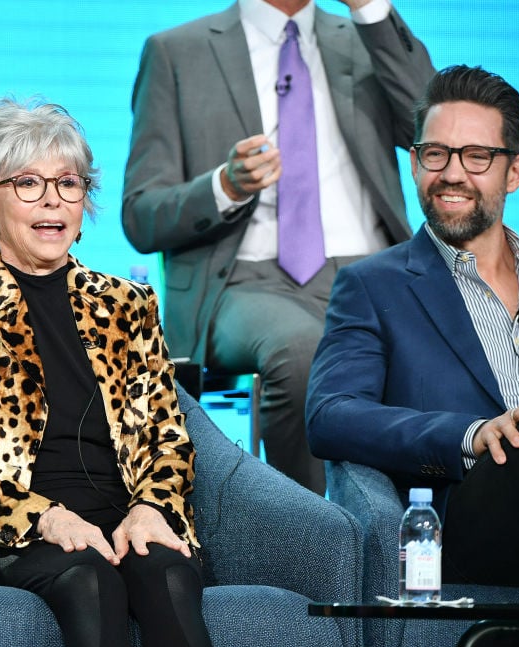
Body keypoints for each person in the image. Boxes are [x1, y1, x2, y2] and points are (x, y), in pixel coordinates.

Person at [0, 98, 217, 647]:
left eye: (68, 183)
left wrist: (151, 509)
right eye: (28, 183)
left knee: (167, 571)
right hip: (13, 533)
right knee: (89, 577)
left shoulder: (127, 305)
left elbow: (167, 437)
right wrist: (46, 518)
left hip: (125, 520)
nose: (53, 199)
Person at [121, 0, 434, 494]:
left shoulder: (366, 38)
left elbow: (436, 128)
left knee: (445, 346)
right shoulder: (176, 52)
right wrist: (225, 185)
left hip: (372, 272)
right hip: (244, 281)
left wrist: (371, 9)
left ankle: (418, 540)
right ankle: (308, 541)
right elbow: (141, 216)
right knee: (304, 350)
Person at [307, 65, 519, 587]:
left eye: (477, 156)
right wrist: (470, 434)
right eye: (436, 154)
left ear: (514, 172)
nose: (453, 173)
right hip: (472, 521)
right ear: (415, 164)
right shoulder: (372, 286)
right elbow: (331, 415)